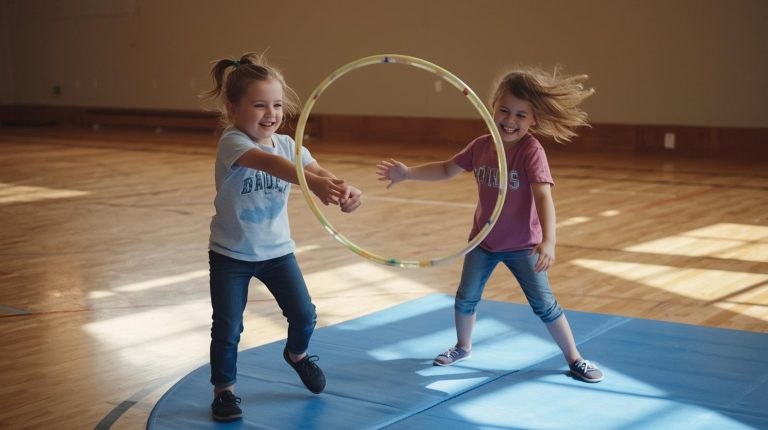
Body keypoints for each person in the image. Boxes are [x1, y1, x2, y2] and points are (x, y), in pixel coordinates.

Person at [376, 67, 603, 383]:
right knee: (465, 296)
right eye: (505, 111)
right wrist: (407, 173)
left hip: (524, 245)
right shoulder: (481, 146)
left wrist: (548, 240)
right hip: (482, 241)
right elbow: (445, 169)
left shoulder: (531, 152)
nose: (510, 120)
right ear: (492, 107)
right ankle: (463, 346)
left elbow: (543, 197)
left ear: (533, 120)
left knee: (544, 305)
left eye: (521, 115)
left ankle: (575, 358)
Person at [203, 53, 362, 422]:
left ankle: (297, 355)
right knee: (228, 326)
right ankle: (224, 391)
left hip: (277, 253)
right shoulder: (233, 143)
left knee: (304, 315)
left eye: (276, 105)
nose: (270, 113)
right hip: (231, 254)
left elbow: (317, 170)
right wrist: (316, 184)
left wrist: (345, 190)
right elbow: (272, 165)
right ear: (232, 108)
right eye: (259, 105)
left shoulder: (289, 145)